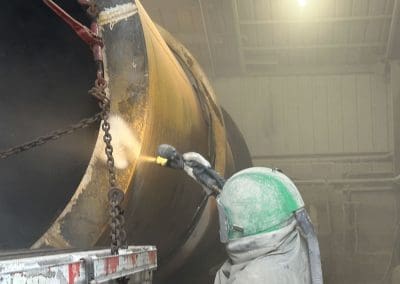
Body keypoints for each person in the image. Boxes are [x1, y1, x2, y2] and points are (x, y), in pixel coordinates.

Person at [156, 146, 323, 284]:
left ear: (244, 225)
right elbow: (252, 203)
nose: (223, 223)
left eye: (225, 217)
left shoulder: (254, 279)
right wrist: (201, 173)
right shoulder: (292, 241)